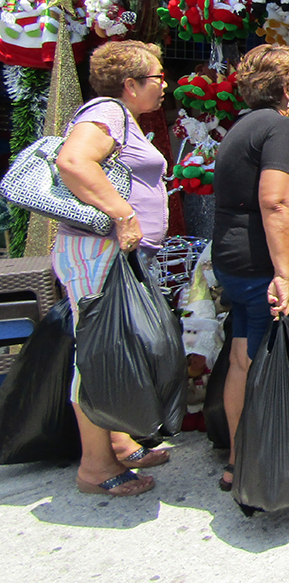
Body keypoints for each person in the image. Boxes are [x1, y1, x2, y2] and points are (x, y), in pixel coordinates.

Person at [53, 40, 170, 497]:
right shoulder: (107, 111)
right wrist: (123, 213)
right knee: (99, 358)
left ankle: (119, 442)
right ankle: (95, 468)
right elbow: (73, 161)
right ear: (130, 84)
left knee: (115, 352)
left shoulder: (123, 118)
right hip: (97, 253)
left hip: (111, 255)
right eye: (158, 77)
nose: (164, 85)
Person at [211, 44, 289, 493]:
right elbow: (276, 201)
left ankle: (238, 458)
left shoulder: (240, 128)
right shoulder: (279, 127)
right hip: (260, 264)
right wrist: (284, 274)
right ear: (287, 88)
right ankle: (272, 463)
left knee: (241, 359)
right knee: (273, 364)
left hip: (231, 259)